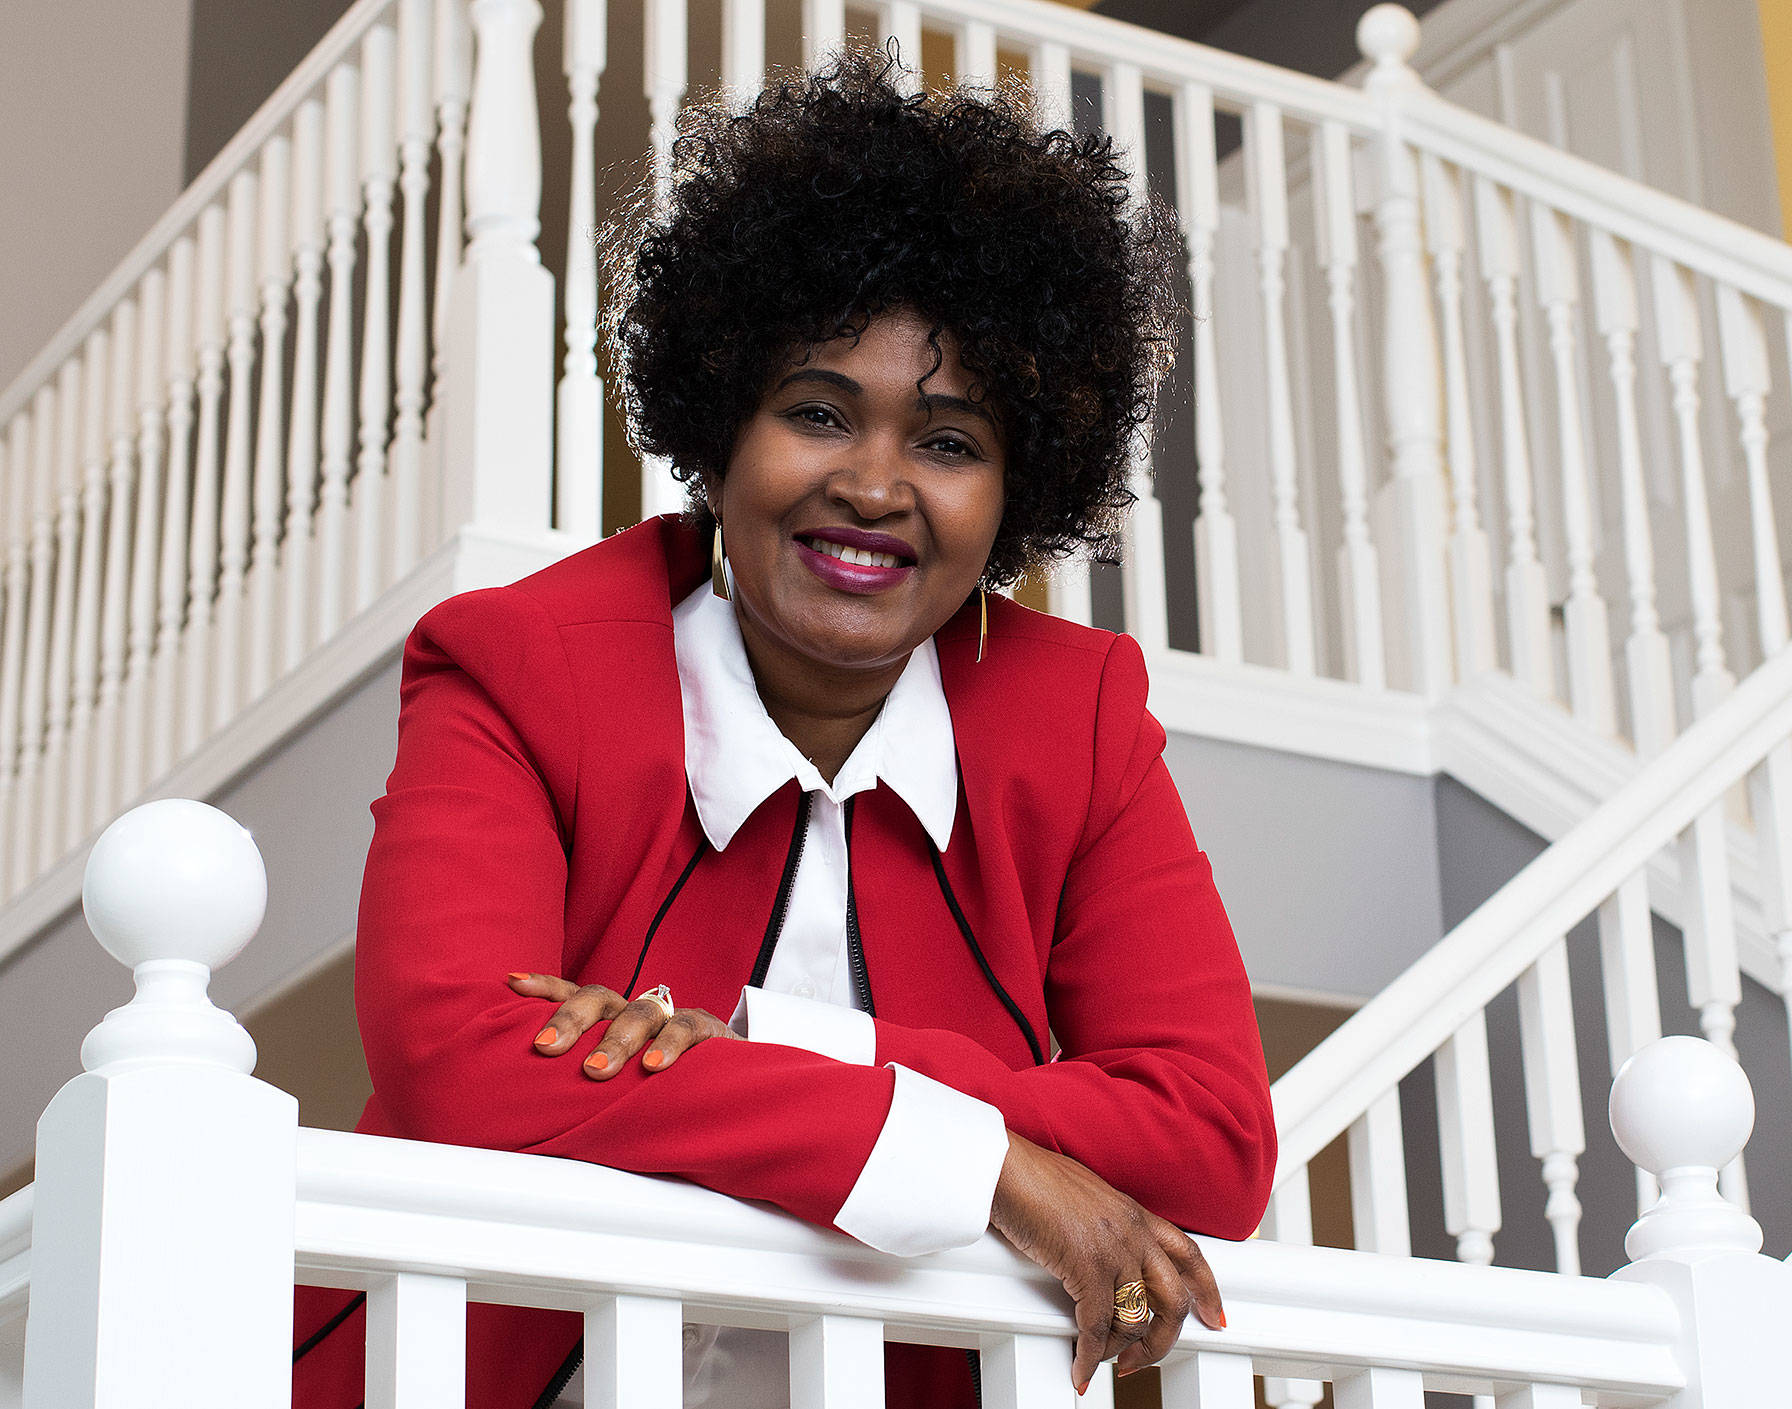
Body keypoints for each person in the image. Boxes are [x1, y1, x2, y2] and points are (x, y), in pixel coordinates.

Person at [291, 48, 1275, 1409]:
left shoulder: (1080, 718)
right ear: (719, 436)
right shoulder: (521, 665)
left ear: (1018, 484)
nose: (873, 484)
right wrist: (982, 1159)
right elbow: (462, 1058)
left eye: (948, 439)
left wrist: (765, 1048)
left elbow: (1209, 1135)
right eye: (817, 412)